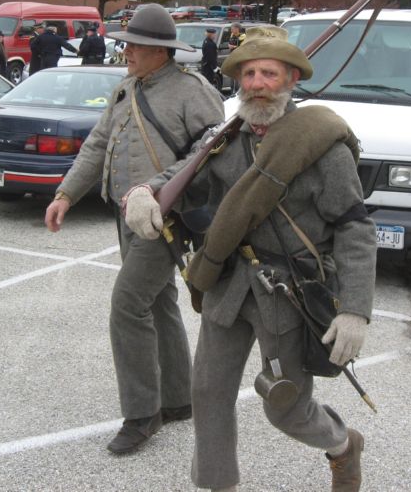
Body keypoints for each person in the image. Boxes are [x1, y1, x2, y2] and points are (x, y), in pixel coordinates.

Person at [123, 25, 377, 491]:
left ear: (291, 80)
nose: (257, 84)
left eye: (269, 74)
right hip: (228, 280)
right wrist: (145, 190)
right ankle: (216, 484)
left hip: (288, 290)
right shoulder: (228, 138)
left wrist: (356, 309)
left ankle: (342, 443)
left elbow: (354, 227)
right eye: (249, 74)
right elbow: (186, 175)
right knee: (208, 393)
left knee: (286, 407)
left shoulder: (322, 145)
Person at [43, 3, 225, 456]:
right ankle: (179, 399)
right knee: (158, 301)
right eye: (126, 45)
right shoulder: (126, 88)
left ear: (160, 51)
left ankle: (143, 414)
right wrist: (66, 194)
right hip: (127, 217)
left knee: (128, 304)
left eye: (135, 46)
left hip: (166, 218)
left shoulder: (193, 91)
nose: (126, 52)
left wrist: (158, 190)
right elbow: (98, 144)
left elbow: (212, 154)